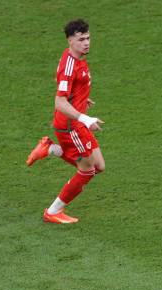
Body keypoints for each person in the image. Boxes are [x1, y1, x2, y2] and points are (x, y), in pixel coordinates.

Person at [26, 19, 104, 224]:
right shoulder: (70, 65)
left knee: (99, 166)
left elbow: (62, 83)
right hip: (71, 126)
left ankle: (50, 149)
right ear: (70, 40)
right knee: (88, 170)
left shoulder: (74, 58)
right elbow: (59, 102)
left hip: (75, 121)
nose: (86, 43)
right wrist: (85, 118)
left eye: (88, 38)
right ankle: (53, 211)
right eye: (81, 39)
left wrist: (79, 97)